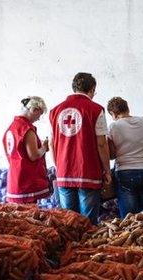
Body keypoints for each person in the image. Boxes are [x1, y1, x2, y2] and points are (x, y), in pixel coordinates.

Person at [49, 73, 111, 224]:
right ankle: (87, 247)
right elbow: (101, 144)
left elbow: (51, 143)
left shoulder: (55, 111)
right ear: (92, 89)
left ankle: (70, 247)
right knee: (87, 223)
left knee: (68, 222)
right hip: (88, 172)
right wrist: (107, 170)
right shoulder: (96, 109)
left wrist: (59, 166)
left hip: (64, 173)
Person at [106, 97, 143, 218]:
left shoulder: (113, 127)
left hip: (126, 172)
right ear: (127, 108)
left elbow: (112, 155)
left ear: (113, 114)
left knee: (128, 219)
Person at [3, 96, 51, 204]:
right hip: (26, 182)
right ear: (34, 110)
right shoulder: (26, 128)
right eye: (40, 114)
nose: (39, 118)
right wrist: (44, 147)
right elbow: (33, 155)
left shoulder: (12, 127)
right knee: (27, 218)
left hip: (14, 179)